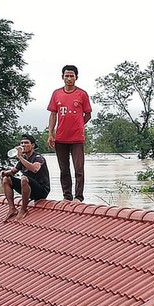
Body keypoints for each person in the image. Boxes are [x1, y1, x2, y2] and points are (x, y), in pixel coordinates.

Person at [47, 65, 92, 203]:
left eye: (72, 76)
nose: (69, 78)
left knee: (79, 168)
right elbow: (53, 114)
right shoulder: (56, 94)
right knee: (64, 169)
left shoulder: (82, 94)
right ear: (62, 77)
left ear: (76, 77)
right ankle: (67, 196)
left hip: (77, 138)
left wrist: (78, 125)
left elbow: (88, 114)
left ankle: (78, 197)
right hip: (60, 137)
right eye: (66, 76)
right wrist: (50, 134)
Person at [0, 134, 51, 221]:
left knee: (24, 178)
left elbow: (35, 169)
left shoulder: (38, 158)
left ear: (33, 145)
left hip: (41, 190)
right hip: (28, 188)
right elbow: (13, 171)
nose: (23, 145)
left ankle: (24, 209)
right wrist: (4, 173)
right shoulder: (23, 160)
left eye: (26, 143)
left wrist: (20, 157)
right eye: (22, 143)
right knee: (6, 179)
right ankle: (12, 208)